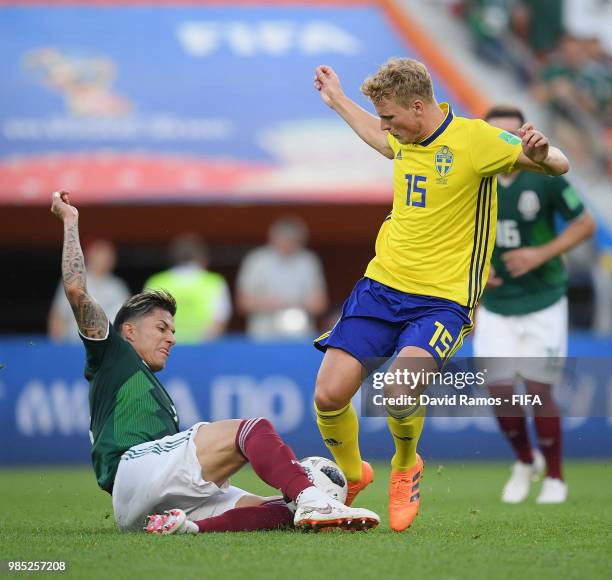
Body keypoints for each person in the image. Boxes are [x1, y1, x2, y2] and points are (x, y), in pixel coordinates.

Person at [311, 58, 569, 532]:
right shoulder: (405, 136)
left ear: (417, 105)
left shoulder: (477, 141)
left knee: (398, 391)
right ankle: (351, 475)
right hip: (381, 286)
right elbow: (377, 135)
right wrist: (339, 101)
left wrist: (544, 150)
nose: (387, 128)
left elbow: (558, 165)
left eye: (391, 118)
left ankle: (406, 465)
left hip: (443, 301)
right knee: (328, 395)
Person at [50, 190, 379, 534]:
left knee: (283, 512)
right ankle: (313, 496)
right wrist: (71, 222)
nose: (172, 338)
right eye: (162, 328)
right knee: (252, 430)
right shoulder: (114, 354)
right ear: (128, 331)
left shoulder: (149, 387)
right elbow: (76, 291)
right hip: (136, 470)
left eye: (173, 330)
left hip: (143, 503)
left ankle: (187, 528)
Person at [473, 105, 595, 504]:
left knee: (539, 390)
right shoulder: (476, 177)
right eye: (498, 136)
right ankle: (525, 462)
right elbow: (452, 232)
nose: (507, 143)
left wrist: (537, 255)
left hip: (543, 298)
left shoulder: (544, 175)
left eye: (514, 134)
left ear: (525, 134)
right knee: (501, 391)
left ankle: (556, 476)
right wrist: (471, 272)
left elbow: (585, 224)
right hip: (495, 303)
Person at [236, 217, 328, 339]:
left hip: (300, 336)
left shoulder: (308, 261)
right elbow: (242, 302)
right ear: (273, 238)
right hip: (263, 336)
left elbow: (321, 304)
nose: (287, 244)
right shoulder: (257, 261)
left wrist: (296, 303)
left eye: (293, 241)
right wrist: (267, 303)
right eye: (284, 239)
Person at [144, 234, 231, 343]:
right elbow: (219, 320)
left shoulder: (157, 281)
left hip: (165, 348)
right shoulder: (213, 282)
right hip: (203, 348)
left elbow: (147, 321)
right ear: (202, 258)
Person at [48, 238, 130, 343]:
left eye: (109, 254)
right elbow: (57, 316)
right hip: (76, 345)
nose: (105, 258)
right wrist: (59, 347)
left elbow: (129, 321)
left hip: (108, 349)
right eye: (100, 253)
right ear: (88, 255)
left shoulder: (118, 286)